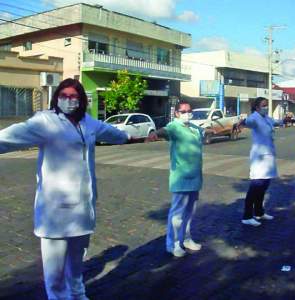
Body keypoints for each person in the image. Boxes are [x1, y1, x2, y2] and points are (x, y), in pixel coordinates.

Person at [0, 78, 130, 300]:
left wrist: (129, 136)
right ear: (56, 97)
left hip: (82, 209)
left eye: (74, 97)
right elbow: (9, 137)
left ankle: (79, 295)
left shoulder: (88, 122)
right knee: (55, 272)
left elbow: (112, 133)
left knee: (76, 263)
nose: (69, 100)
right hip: (55, 212)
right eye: (64, 96)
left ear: (81, 100)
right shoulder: (45, 122)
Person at [147, 100, 203, 257]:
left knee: (190, 211)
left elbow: (204, 132)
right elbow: (164, 131)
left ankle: (186, 238)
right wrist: (155, 134)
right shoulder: (175, 126)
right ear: (177, 113)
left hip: (195, 176)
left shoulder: (193, 128)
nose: (187, 114)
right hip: (181, 177)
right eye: (183, 111)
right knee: (177, 213)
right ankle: (173, 244)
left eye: (189, 111)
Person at [238, 97, 282, 226]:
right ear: (257, 107)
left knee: (264, 185)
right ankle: (247, 216)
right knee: (256, 185)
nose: (266, 107)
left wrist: (286, 120)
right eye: (263, 105)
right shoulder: (255, 117)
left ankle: (259, 212)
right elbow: (249, 122)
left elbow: (276, 122)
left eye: (267, 105)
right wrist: (243, 122)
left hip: (268, 157)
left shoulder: (267, 118)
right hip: (259, 158)